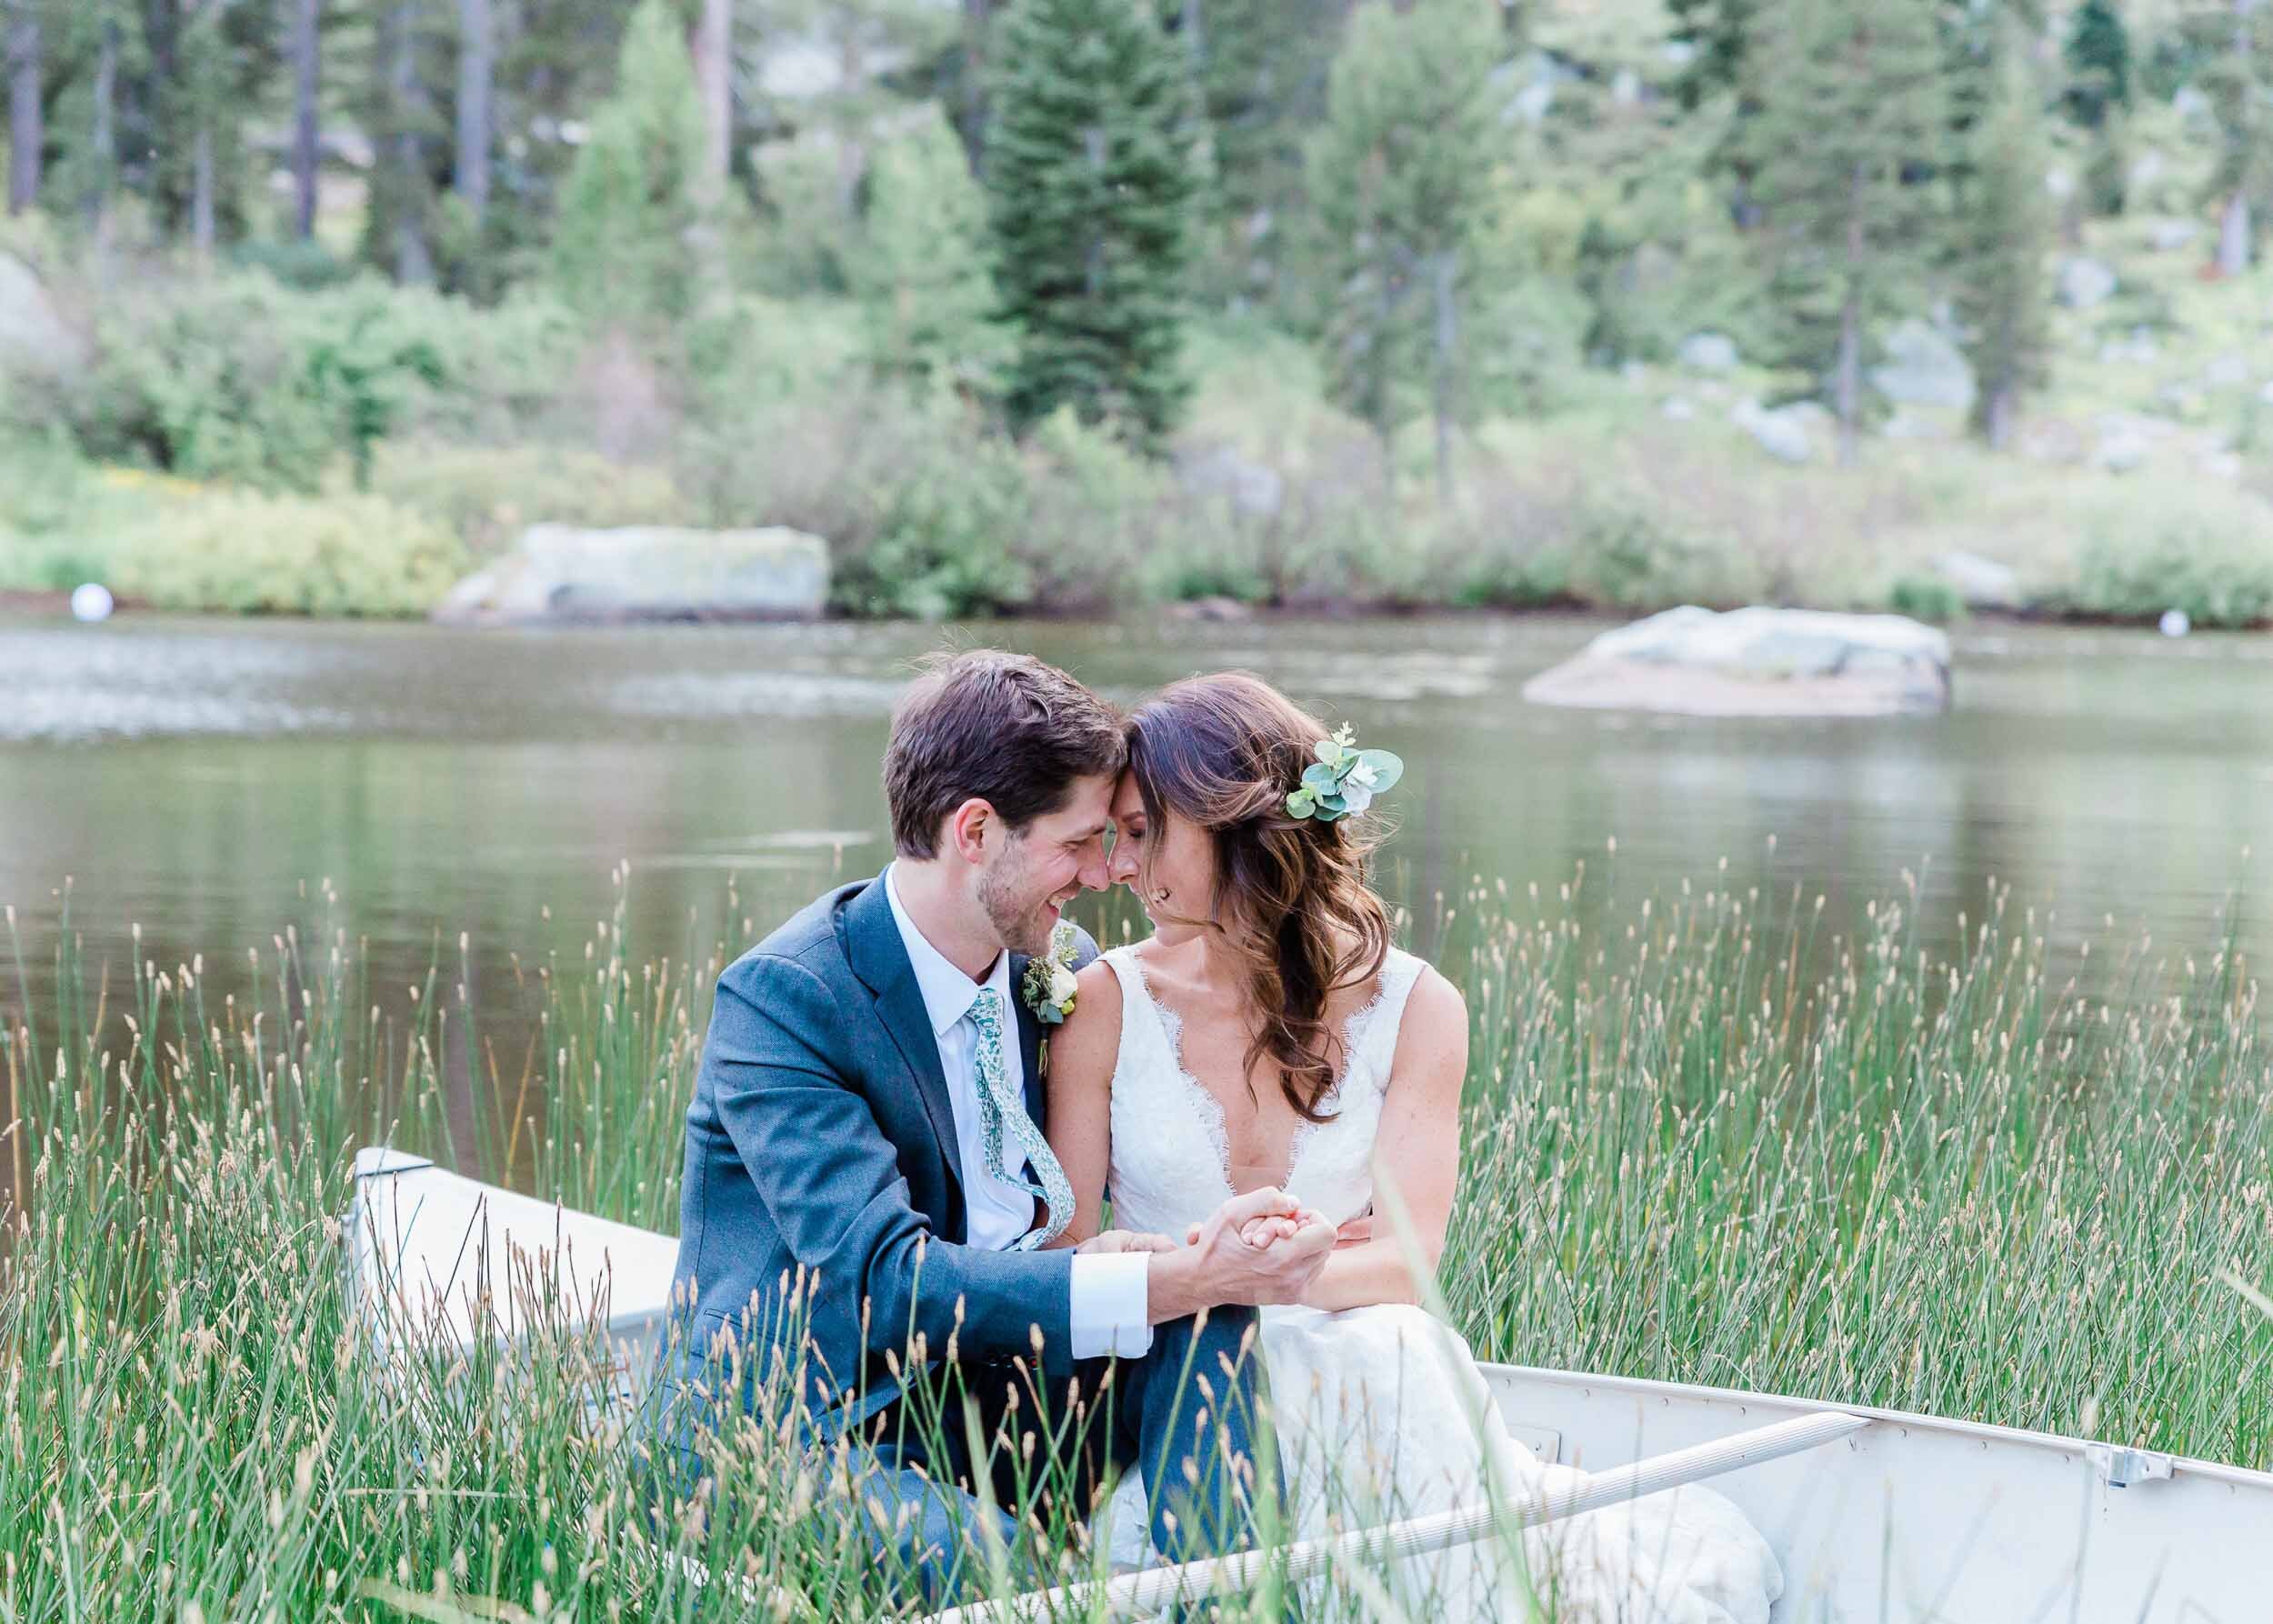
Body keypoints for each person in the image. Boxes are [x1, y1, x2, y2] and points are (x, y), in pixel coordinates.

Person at [1044, 671, 1785, 1622]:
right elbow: (1065, 1251)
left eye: (1145, 830)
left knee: (1389, 1347)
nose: (1120, 864)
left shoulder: (1417, 1006)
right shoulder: (1103, 1002)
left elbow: (1407, 1259)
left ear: (1232, 821)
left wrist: (1272, 1274)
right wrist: (1206, 1273)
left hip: (1361, 1351)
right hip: (1179, 1361)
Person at [649, 648, 1337, 1601]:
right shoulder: (788, 1000)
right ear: (975, 830)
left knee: (1211, 1315)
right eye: (1081, 841)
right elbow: (885, 1281)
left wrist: (1192, 1262)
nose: (1107, 871)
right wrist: (1163, 1273)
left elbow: (1055, 1220)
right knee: (1015, 1577)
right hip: (805, 1425)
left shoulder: (1052, 969)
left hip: (993, 1397)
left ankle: (1227, 1600)